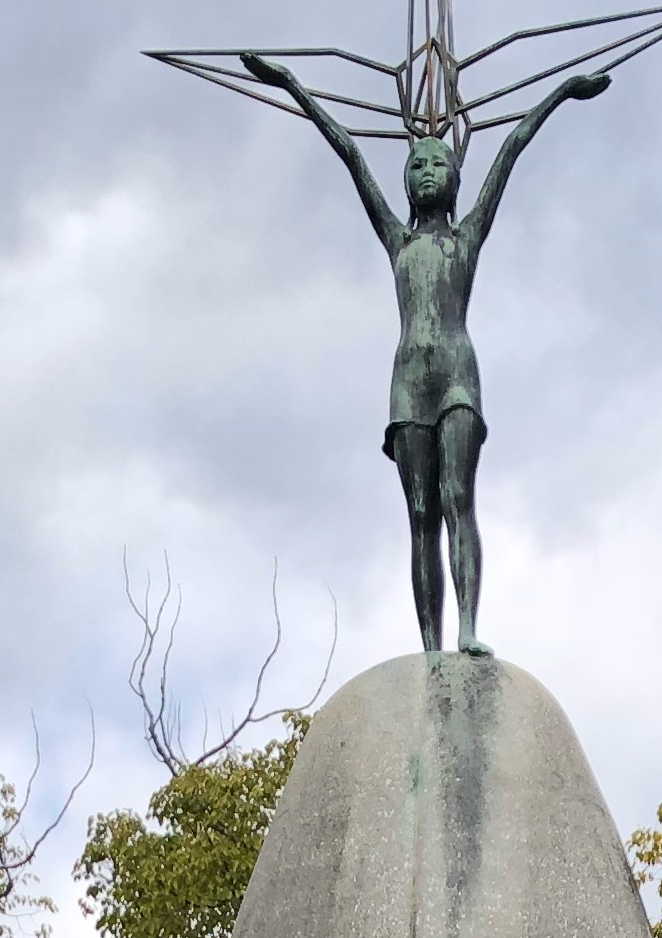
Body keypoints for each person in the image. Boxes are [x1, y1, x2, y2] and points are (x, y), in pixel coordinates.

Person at [242, 56, 611, 656]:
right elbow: (350, 156)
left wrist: (563, 90)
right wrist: (291, 85)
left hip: (458, 377)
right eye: (418, 164)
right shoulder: (398, 240)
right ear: (407, 182)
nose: (429, 171)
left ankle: (467, 628)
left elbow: (512, 148)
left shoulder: (465, 238)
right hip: (408, 384)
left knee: (457, 498)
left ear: (456, 180)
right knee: (420, 517)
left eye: (440, 163)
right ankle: (431, 646)